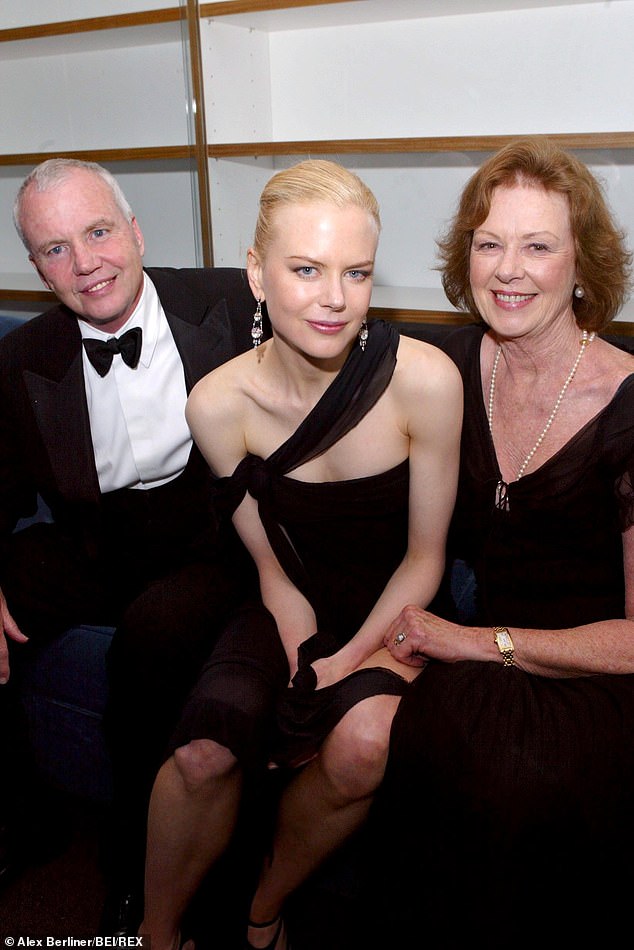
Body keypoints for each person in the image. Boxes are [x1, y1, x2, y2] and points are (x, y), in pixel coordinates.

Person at [139, 159, 462, 950]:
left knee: (362, 743)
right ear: (257, 272)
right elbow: (271, 567)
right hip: (293, 597)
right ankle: (156, 934)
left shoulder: (425, 381)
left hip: (400, 604)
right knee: (204, 752)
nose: (334, 298)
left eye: (356, 273)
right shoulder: (215, 404)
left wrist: (345, 664)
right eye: (306, 269)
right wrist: (297, 645)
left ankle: (263, 907)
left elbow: (425, 560)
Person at [374, 136, 634, 948]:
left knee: (518, 780)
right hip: (475, 658)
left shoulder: (627, 404)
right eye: (490, 243)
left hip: (591, 673)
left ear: (583, 266)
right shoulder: (448, 364)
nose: (508, 269)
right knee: (430, 744)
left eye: (537, 245)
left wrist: (474, 641)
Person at [2, 159, 258, 932]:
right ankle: (23, 819)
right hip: (95, 538)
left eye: (99, 231)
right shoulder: (20, 360)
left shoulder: (238, 303)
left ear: (137, 231)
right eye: (54, 249)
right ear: (38, 268)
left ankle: (137, 875)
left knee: (152, 640)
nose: (85, 263)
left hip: (211, 540)